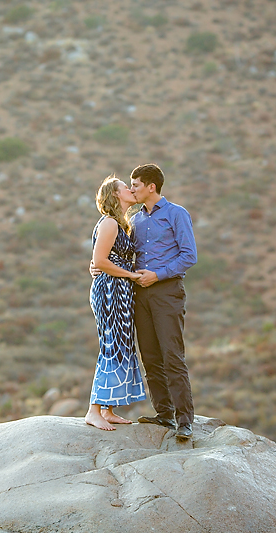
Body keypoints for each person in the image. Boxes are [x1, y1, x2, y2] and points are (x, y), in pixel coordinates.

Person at [91, 164, 197, 441]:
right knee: (150, 356)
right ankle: (164, 414)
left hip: (167, 292)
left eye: (135, 184)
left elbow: (189, 255)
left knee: (172, 356)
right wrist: (96, 266)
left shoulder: (177, 214)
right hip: (138, 294)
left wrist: (158, 274)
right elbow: (116, 253)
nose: (132, 188)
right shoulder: (134, 220)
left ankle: (184, 421)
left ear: (151, 186)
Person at [85, 175, 147, 431]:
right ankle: (93, 410)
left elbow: (104, 259)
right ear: (115, 195)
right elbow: (100, 261)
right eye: (126, 187)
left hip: (120, 290)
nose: (131, 189)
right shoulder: (110, 223)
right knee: (110, 345)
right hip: (109, 290)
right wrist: (132, 274)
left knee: (121, 344)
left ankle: (108, 409)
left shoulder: (123, 224)